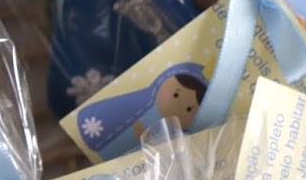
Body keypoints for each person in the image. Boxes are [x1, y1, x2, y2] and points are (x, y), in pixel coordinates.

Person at [74, 64, 207, 158]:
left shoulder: (177, 134)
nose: (178, 105)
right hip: (116, 149)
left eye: (189, 109)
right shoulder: (142, 103)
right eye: (176, 94)